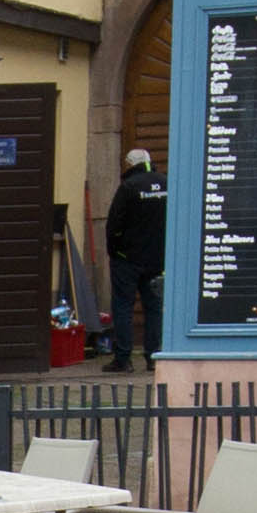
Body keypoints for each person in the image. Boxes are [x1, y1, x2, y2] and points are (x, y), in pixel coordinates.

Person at [104, 144, 167, 363]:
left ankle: (123, 358)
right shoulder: (166, 183)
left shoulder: (128, 187)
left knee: (123, 306)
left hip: (127, 260)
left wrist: (114, 251)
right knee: (154, 308)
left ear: (130, 164)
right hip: (157, 259)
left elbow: (114, 223)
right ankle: (153, 356)